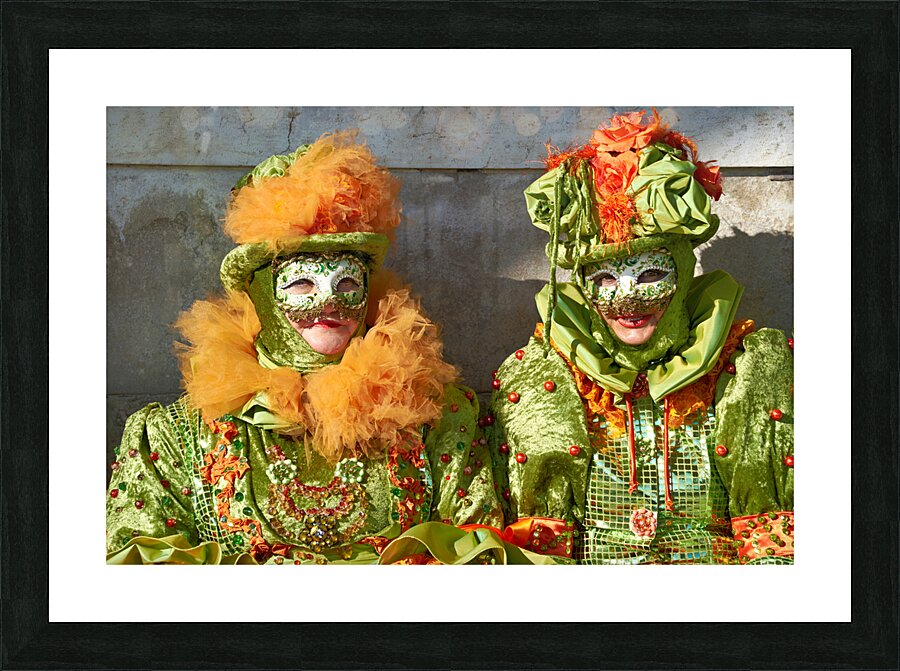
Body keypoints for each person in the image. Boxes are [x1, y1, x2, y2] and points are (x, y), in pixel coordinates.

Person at [106, 132, 508, 564]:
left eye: (348, 282)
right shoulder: (173, 437)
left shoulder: (438, 418)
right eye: (302, 283)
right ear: (260, 292)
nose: (330, 301)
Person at [486, 110, 794, 564]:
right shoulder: (544, 376)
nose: (628, 300)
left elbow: (773, 542)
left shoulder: (745, 368)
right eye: (606, 278)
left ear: (683, 270)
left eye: (650, 273)